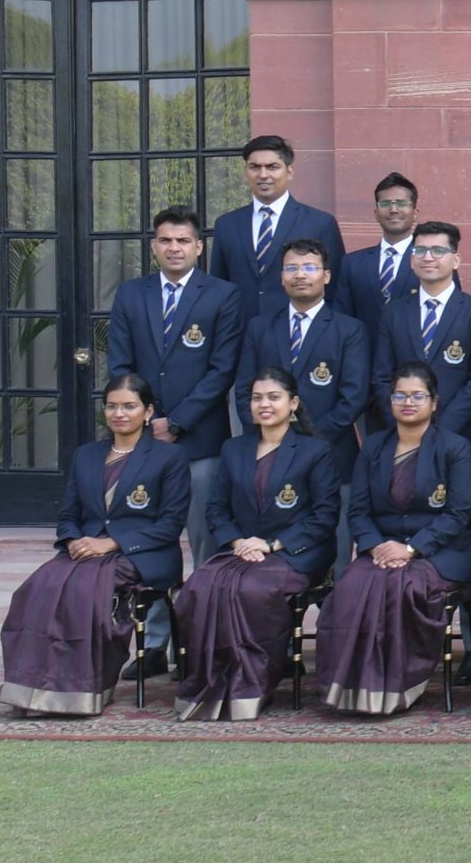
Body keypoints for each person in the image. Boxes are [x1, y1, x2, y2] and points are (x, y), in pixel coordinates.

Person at [0, 376, 190, 715]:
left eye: (129, 406)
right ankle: (30, 688)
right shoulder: (86, 456)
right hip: (86, 551)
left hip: (144, 554)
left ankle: (81, 691)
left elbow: (170, 525)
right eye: (112, 406)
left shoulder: (169, 457)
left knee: (85, 593)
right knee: (37, 589)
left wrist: (111, 543)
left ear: (147, 412)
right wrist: (73, 541)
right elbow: (69, 515)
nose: (119, 413)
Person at [171, 368, 337, 720]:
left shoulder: (315, 450)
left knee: (251, 589)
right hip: (241, 548)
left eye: (273, 397)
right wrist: (238, 541)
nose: (265, 404)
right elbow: (216, 509)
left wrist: (271, 544)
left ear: (292, 403)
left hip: (296, 552)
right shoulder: (234, 449)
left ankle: (253, 682)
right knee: (200, 586)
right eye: (257, 397)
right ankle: (210, 680)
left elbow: (323, 516)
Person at [315, 361, 471, 715]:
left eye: (418, 395)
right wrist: (377, 546)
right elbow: (358, 511)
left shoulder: (455, 448)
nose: (408, 402)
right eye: (400, 395)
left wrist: (411, 548)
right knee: (349, 587)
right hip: (380, 549)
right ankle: (350, 686)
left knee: (405, 588)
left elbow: (458, 514)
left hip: (439, 553)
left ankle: (398, 686)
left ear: (434, 403)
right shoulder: (373, 447)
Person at [106, 206, 241, 571]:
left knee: (205, 538)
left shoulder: (223, 295)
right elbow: (120, 366)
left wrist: (177, 422)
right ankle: (153, 623)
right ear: (154, 246)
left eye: (183, 240)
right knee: (144, 538)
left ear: (199, 247)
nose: (174, 248)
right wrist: (146, 421)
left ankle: (203, 618)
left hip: (201, 441)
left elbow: (222, 369)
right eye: (165, 240)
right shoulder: (131, 294)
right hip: (143, 440)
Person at [371, 219, 471, 601]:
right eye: (420, 250)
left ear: (456, 259)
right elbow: (381, 377)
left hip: (461, 443)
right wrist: (408, 425)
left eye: (438, 250)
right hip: (401, 445)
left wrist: (435, 430)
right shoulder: (395, 312)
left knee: (468, 543)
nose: (429, 257)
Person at [233, 238, 370, 497]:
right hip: (266, 454)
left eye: (309, 267)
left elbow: (354, 396)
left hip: (331, 453)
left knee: (333, 532)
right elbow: (243, 390)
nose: (299, 275)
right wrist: (269, 437)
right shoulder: (259, 327)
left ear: (326, 276)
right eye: (291, 268)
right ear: (281, 277)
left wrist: (309, 441)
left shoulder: (349, 330)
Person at [207, 135, 343, 327]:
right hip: (239, 333)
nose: (263, 175)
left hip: (298, 333)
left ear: (289, 172)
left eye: (272, 167)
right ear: (245, 172)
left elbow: (336, 289)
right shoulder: (226, 224)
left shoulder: (320, 223)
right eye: (255, 167)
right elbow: (219, 286)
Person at [335, 172, 422, 333]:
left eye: (401, 204)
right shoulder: (352, 264)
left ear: (415, 213)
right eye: (386, 204)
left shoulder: (432, 260)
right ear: (376, 214)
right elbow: (342, 319)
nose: (393, 210)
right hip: (364, 354)